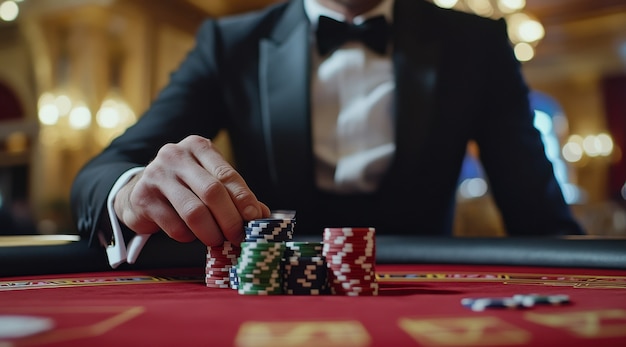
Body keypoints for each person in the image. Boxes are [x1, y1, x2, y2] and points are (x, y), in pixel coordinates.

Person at [70, 0, 584, 268]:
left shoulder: (477, 42)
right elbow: (102, 173)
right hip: (268, 307)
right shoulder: (230, 43)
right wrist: (133, 191)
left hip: (431, 297)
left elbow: (541, 221)